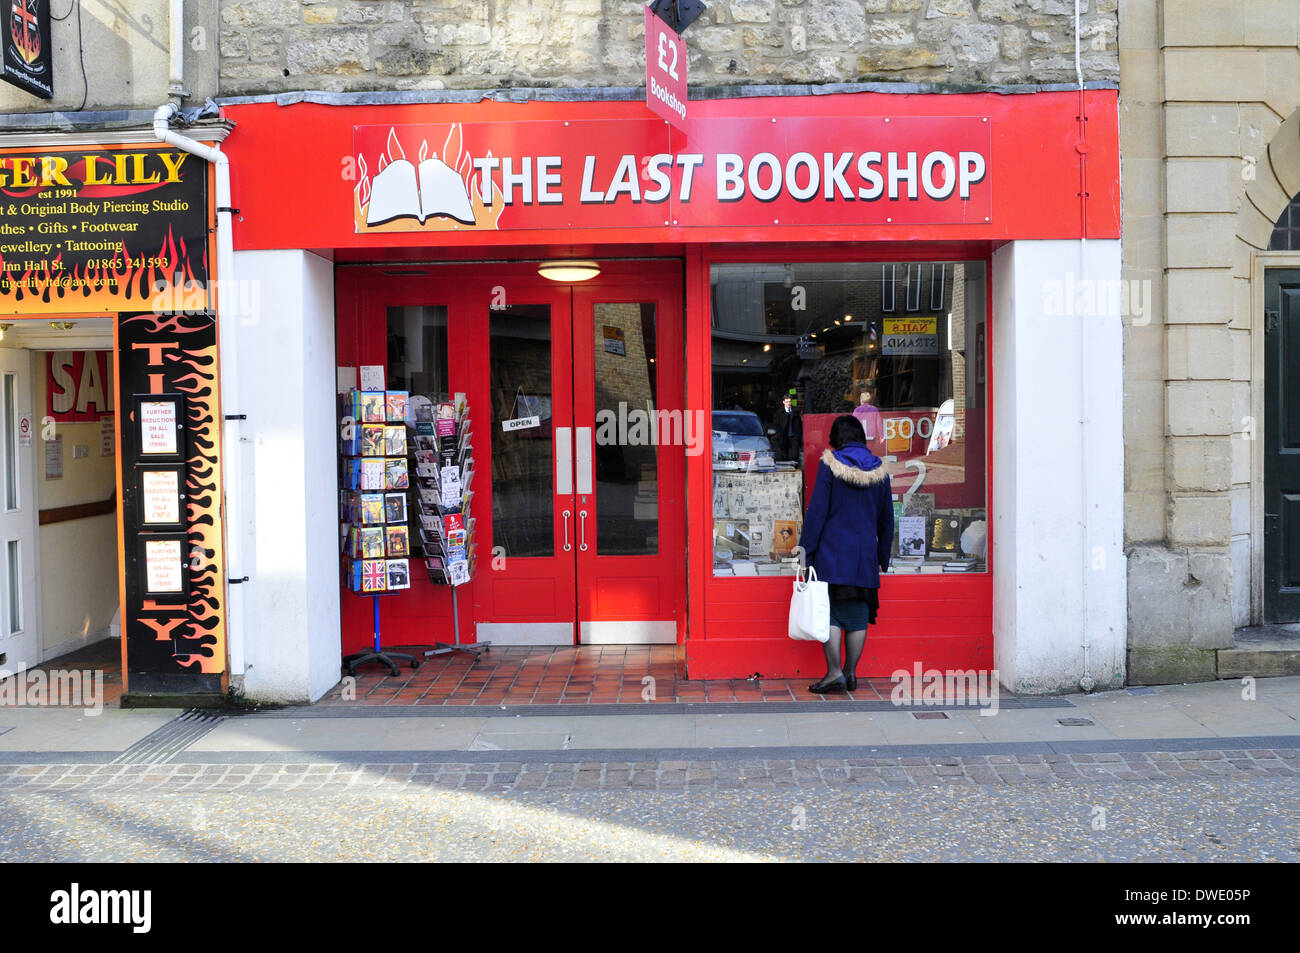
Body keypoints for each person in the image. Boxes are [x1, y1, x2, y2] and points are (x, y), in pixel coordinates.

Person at [797, 414, 893, 694]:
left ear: (837, 439)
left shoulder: (830, 465)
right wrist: (882, 556)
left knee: (830, 613)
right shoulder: (880, 470)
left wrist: (805, 553)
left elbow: (817, 513)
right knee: (859, 614)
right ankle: (851, 672)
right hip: (864, 554)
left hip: (831, 552)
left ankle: (835, 672)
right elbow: (887, 519)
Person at [773, 394, 802, 462]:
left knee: (795, 455)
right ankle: (786, 469)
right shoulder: (779, 412)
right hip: (784, 436)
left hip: (794, 436)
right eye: (787, 401)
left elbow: (799, 424)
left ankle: (795, 468)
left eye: (790, 401)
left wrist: (799, 436)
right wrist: (779, 434)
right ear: (783, 402)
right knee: (784, 455)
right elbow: (776, 424)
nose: (788, 403)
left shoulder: (795, 411)